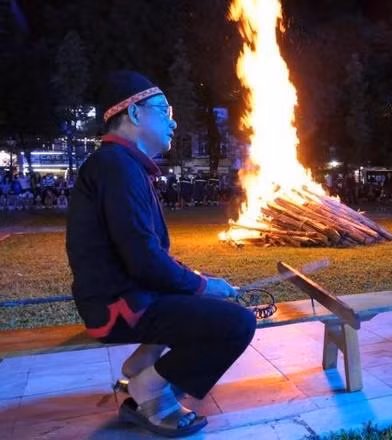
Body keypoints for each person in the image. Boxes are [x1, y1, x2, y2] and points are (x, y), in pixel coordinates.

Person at [66, 71, 256, 437]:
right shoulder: (115, 166)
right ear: (134, 114)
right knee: (236, 323)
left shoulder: (120, 165)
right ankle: (150, 392)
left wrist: (193, 280)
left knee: (210, 306)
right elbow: (143, 259)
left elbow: (144, 253)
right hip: (118, 307)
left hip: (130, 295)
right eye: (163, 109)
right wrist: (200, 286)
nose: (173, 120)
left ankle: (143, 365)